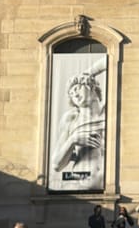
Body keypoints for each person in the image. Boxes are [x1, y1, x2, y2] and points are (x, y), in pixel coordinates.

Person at [50, 56, 107, 190]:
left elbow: (114, 61)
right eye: (71, 93)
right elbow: (56, 164)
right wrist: (73, 140)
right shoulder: (72, 119)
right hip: (80, 184)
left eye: (77, 88)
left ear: (91, 86)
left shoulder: (110, 111)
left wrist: (89, 73)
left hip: (110, 183)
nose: (75, 95)